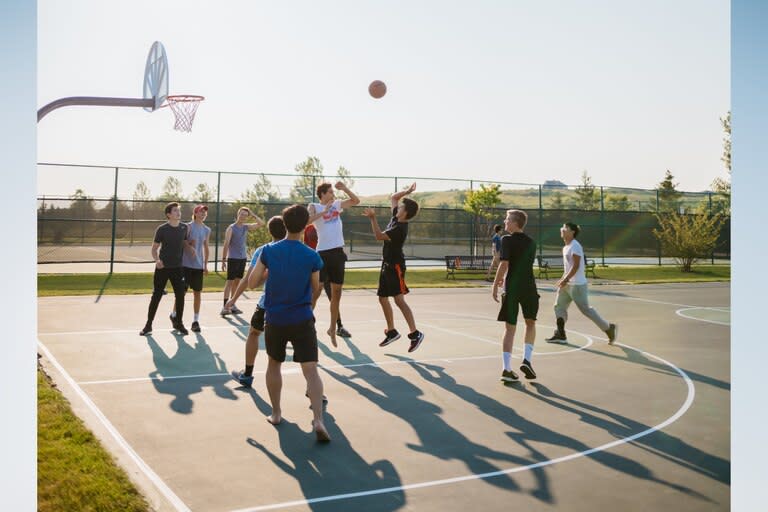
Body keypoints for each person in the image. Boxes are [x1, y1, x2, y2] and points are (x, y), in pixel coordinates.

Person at [247, 204, 330, 442]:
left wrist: (269, 272)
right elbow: (316, 288)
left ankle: (276, 413)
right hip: (302, 318)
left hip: (275, 318)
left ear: (284, 224)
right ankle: (318, 420)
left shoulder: (268, 251)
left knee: (274, 364)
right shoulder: (312, 255)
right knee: (311, 370)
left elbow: (253, 283)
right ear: (306, 226)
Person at [362, 182, 425, 353]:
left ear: (405, 213)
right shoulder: (396, 218)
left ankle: (415, 333)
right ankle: (391, 331)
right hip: (387, 264)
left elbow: (378, 236)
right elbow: (394, 197)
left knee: (399, 300)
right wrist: (408, 191)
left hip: (396, 266)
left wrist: (373, 218)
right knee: (383, 298)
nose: (397, 207)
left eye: (401, 207)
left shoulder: (399, 228)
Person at [228, 216, 287, 387]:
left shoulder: (264, 250)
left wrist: (233, 299)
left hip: (268, 303)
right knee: (300, 346)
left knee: (254, 333)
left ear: (269, 231)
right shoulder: (298, 249)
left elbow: (249, 280)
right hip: (294, 305)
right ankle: (314, 389)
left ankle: (247, 374)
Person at [545, 222, 618, 345]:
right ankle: (560, 334)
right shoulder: (565, 247)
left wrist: (566, 279)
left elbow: (576, 265)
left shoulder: (575, 246)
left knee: (586, 310)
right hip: (567, 284)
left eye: (565, 228)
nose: (562, 229)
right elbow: (568, 268)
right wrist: (563, 279)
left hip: (577, 285)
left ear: (572, 232)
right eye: (562, 227)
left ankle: (608, 328)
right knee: (559, 307)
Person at [307, 181, 360, 347]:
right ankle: (305, 323)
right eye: (330, 192)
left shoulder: (337, 204)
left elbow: (356, 201)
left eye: (333, 192)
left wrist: (344, 188)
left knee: (336, 293)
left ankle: (333, 328)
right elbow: (307, 221)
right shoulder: (314, 206)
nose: (333, 194)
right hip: (322, 253)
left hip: (337, 253)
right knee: (317, 290)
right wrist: (324, 211)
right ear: (322, 194)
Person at [491, 209, 539, 382]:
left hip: (513, 288)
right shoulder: (532, 242)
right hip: (529, 287)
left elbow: (504, 264)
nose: (505, 222)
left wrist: (495, 285)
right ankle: (527, 359)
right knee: (530, 323)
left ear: (515, 222)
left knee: (510, 328)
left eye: (507, 219)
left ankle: (506, 368)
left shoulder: (507, 240)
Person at [140, 202, 194, 336]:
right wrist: (157, 260)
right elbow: (154, 249)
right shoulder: (162, 229)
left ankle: (179, 323)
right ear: (168, 214)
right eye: (175, 211)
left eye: (179, 210)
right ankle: (148, 325)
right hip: (163, 268)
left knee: (180, 296)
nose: (178, 212)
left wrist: (191, 248)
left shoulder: (184, 228)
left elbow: (184, 243)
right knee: (156, 296)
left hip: (178, 268)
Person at [303, 223, 351, 338]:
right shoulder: (308, 228)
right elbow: (305, 245)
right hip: (317, 264)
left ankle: (338, 326)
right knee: (315, 292)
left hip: (330, 263)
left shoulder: (330, 224)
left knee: (334, 295)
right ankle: (306, 322)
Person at [170, 204, 211, 333]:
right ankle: (174, 314)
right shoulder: (188, 227)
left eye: (205, 212)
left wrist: (205, 265)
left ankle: (195, 321)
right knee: (181, 293)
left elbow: (206, 247)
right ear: (195, 213)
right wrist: (189, 245)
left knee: (197, 293)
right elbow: (181, 242)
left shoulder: (207, 230)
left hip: (198, 266)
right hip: (185, 265)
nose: (203, 213)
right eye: (201, 211)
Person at [221, 206, 265, 316]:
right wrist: (223, 259)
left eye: (245, 215)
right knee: (230, 282)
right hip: (233, 258)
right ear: (237, 214)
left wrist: (253, 214)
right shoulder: (231, 228)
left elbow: (261, 224)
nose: (243, 217)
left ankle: (232, 304)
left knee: (237, 281)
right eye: (241, 214)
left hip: (242, 259)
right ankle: (225, 306)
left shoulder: (245, 227)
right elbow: (226, 244)